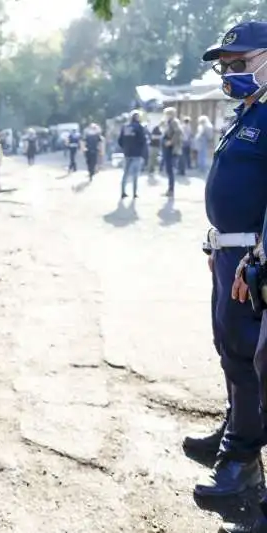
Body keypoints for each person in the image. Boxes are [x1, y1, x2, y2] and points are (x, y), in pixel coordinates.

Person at [192, 21, 267, 533]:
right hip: (229, 254)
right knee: (230, 350)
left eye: (239, 62)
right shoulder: (248, 113)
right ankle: (235, 433)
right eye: (226, 63)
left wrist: (260, 254)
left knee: (249, 357)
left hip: (252, 261)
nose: (229, 70)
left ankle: (241, 460)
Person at [118, 111, 146, 199]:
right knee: (135, 174)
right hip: (137, 153)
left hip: (127, 153)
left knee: (125, 173)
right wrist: (142, 151)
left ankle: (123, 192)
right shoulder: (140, 127)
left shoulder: (125, 127)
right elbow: (143, 140)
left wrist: (125, 148)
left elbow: (120, 140)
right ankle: (134, 193)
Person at [162, 107, 182, 196]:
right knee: (168, 169)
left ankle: (171, 190)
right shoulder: (168, 122)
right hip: (167, 148)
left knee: (170, 170)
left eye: (167, 114)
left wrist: (171, 142)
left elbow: (178, 132)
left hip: (171, 149)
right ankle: (169, 189)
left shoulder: (174, 122)